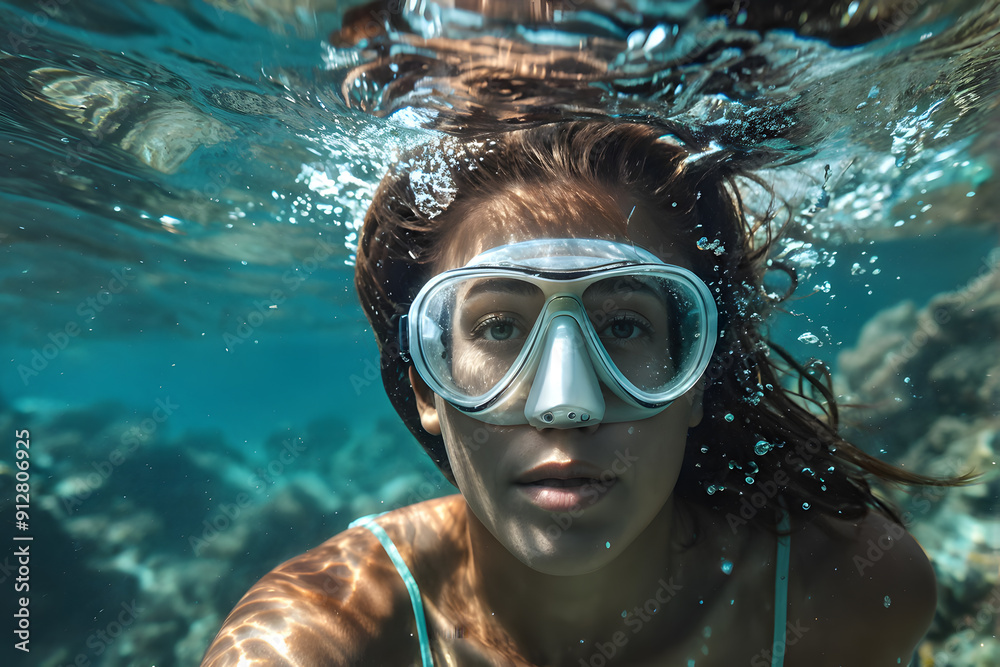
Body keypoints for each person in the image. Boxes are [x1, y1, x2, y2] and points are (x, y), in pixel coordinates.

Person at [201, 120, 969, 666]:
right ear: (425, 383)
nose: (565, 405)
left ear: (696, 377)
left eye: (625, 326)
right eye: (499, 327)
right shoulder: (314, 642)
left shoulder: (845, 594)